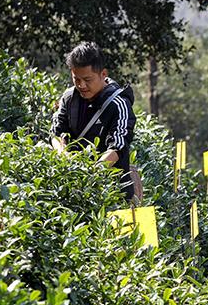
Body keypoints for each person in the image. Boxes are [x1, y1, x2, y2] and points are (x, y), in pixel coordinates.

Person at [51, 41, 141, 202]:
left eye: (87, 79)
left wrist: (91, 176)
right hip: (72, 190)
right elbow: (56, 133)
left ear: (103, 74)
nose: (81, 85)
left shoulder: (119, 104)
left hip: (112, 192)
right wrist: (64, 157)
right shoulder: (69, 98)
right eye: (76, 79)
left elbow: (118, 147)